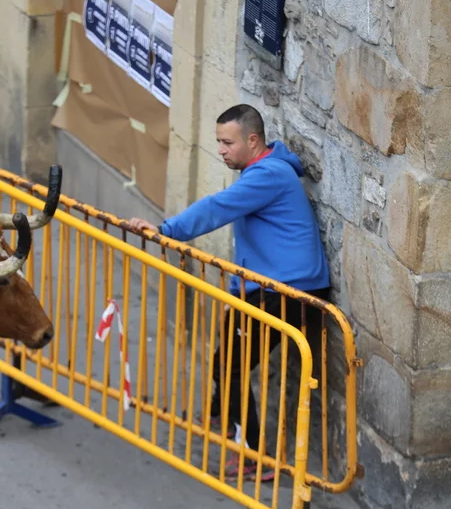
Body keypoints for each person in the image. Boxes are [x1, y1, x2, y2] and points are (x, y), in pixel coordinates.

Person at [127, 104, 330, 482]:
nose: (220, 150)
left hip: (287, 291)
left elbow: (217, 208)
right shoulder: (266, 171)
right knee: (227, 358)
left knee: (232, 366)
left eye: (227, 143)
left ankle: (254, 456)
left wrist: (165, 231)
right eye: (219, 142)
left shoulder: (268, 175)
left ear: (253, 141)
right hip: (272, 286)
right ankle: (221, 417)